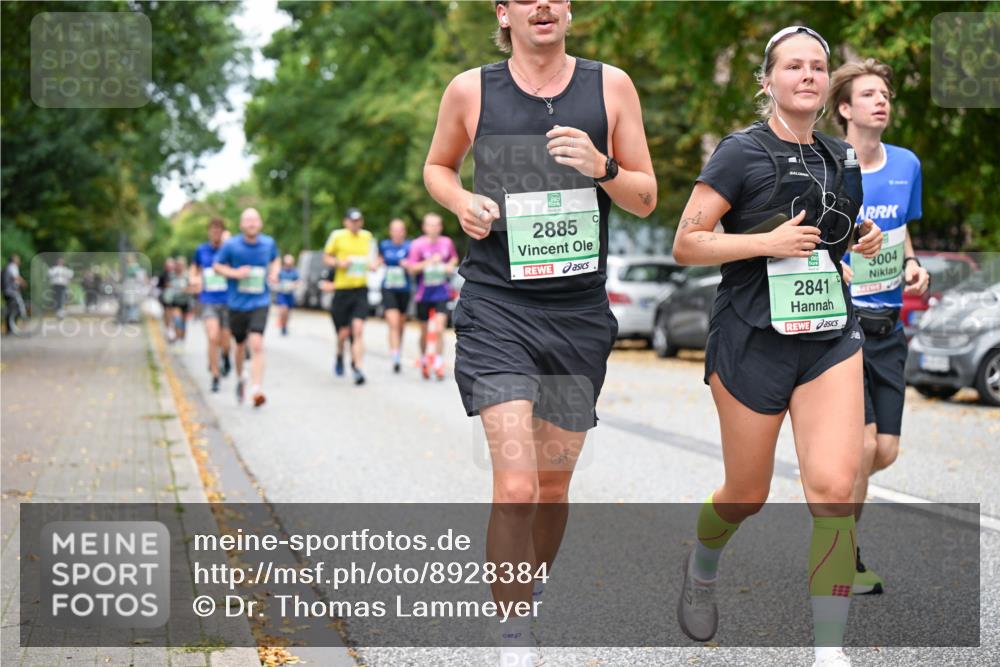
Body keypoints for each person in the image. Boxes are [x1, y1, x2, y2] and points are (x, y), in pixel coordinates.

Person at [424, 1, 656, 664]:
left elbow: (646, 196)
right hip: (497, 305)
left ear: (570, 9)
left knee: (552, 488)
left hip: (578, 312)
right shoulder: (471, 89)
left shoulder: (610, 86)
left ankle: (528, 589)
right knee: (517, 485)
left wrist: (601, 166)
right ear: (506, 11)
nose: (544, 5)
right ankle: (515, 635)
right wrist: (460, 199)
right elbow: (437, 166)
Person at [671, 27, 882, 667]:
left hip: (826, 338)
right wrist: (765, 243)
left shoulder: (840, 157)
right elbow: (688, 243)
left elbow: (832, 239)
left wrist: (864, 238)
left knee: (834, 488)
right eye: (794, 66)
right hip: (750, 338)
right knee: (747, 492)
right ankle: (703, 565)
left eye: (818, 67)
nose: (809, 76)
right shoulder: (739, 152)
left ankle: (828, 652)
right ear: (768, 81)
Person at [830, 58, 930, 595]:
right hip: (844, 325)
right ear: (845, 108)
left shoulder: (907, 164)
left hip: (889, 326)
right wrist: (834, 261)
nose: (881, 101)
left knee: (884, 450)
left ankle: (835, 517)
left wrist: (913, 266)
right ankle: (842, 555)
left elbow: (902, 234)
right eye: (869, 94)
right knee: (863, 447)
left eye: (885, 94)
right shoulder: (829, 165)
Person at [213, 208, 280, 407]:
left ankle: (256, 388)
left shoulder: (268, 243)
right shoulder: (231, 245)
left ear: (260, 223)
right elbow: (217, 266)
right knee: (240, 345)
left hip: (260, 301)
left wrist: (274, 273)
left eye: (254, 220)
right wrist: (234, 273)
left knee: (257, 343)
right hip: (237, 304)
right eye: (247, 220)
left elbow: (275, 259)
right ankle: (241, 376)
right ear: (241, 225)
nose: (251, 223)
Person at [324, 207, 374, 386]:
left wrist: (374, 265)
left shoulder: (367, 237)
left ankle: (357, 367)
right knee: (343, 333)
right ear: (346, 222)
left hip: (360, 289)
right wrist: (340, 263)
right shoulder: (337, 236)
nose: (356, 224)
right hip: (342, 290)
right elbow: (326, 258)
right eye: (352, 221)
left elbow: (373, 258)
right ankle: (339, 355)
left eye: (358, 220)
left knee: (358, 329)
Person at [407, 212, 458, 380]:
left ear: (440, 227)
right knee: (424, 331)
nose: (433, 228)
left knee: (439, 327)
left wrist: (448, 265)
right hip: (423, 294)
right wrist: (429, 262)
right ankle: (423, 358)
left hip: (441, 292)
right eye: (430, 225)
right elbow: (412, 268)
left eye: (437, 225)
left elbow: (454, 258)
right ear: (424, 227)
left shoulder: (446, 242)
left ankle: (438, 361)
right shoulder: (417, 245)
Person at [191, 218, 233, 393]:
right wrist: (194, 279)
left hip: (228, 300)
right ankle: (215, 375)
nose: (215, 233)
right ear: (209, 232)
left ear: (223, 232)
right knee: (212, 336)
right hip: (208, 300)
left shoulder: (229, 250)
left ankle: (224, 356)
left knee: (225, 341)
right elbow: (194, 269)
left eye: (218, 230)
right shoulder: (201, 250)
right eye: (212, 230)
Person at [377, 218, 412, 373]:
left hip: (404, 289)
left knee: (401, 325)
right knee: (393, 322)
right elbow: (378, 259)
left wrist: (409, 265)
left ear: (404, 232)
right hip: (388, 288)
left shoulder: (410, 246)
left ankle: (397, 348)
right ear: (390, 232)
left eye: (400, 230)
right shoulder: (384, 245)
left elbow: (415, 264)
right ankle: (395, 356)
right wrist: (374, 264)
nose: (397, 233)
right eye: (394, 230)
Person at [275, 254, 300, 336]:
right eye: (287, 264)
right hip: (282, 293)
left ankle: (285, 326)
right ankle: (282, 323)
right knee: (283, 309)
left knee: (288, 312)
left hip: (290, 294)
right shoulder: (280, 271)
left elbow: (298, 282)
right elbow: (275, 280)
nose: (288, 266)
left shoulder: (294, 272)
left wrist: (294, 284)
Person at [2, 254, 27, 334]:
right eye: (17, 259)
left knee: (11, 310)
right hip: (11, 292)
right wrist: (23, 283)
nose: (19, 260)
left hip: (8, 292)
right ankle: (10, 329)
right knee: (13, 310)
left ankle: (10, 329)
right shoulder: (13, 266)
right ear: (14, 260)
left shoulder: (9, 266)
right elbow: (15, 277)